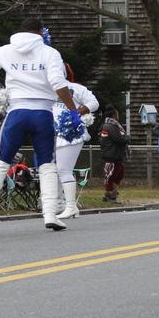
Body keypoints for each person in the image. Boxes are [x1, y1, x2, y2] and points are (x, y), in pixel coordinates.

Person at [0, 18, 80, 233]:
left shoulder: (6, 50)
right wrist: (73, 110)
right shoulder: (49, 53)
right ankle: (49, 214)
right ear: (40, 33)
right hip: (43, 113)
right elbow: (58, 83)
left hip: (16, 112)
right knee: (47, 165)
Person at [51, 64, 99, 219]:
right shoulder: (45, 87)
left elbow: (94, 103)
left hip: (70, 132)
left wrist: (75, 114)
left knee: (64, 170)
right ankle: (58, 203)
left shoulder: (75, 88)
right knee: (52, 170)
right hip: (51, 133)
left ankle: (71, 205)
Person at [99, 106, 129, 203]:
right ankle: (109, 195)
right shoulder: (110, 126)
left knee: (119, 173)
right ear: (114, 115)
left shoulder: (112, 125)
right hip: (112, 154)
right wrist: (127, 138)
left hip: (115, 154)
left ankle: (112, 193)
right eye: (117, 114)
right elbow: (119, 139)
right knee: (111, 175)